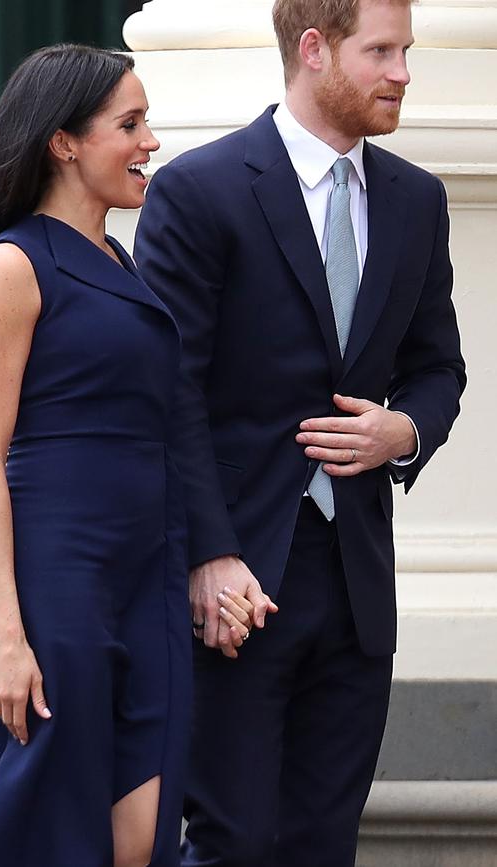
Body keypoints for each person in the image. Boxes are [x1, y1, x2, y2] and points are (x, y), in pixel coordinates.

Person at [134, 0, 466, 862]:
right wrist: (208, 553)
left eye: (407, 51)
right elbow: (170, 392)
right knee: (233, 842)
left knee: (324, 844)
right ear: (314, 50)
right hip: (236, 584)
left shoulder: (417, 201)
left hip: (357, 588)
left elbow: (439, 370)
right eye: (382, 51)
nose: (403, 72)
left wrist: (406, 431)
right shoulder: (198, 189)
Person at [0, 43, 230, 867]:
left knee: (138, 838)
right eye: (130, 124)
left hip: (147, 571)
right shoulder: (11, 264)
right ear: (64, 143)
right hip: (56, 580)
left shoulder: (119, 259)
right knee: (59, 836)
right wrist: (7, 633)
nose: (150, 143)